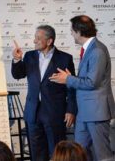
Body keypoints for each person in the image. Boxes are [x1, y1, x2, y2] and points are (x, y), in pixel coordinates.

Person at [49, 15, 115, 161]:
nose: (71, 33)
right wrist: (69, 78)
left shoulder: (97, 50)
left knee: (102, 155)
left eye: (72, 30)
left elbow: (92, 82)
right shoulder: (89, 49)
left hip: (96, 113)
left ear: (79, 31)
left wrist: (68, 79)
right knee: (80, 154)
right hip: (84, 112)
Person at [11, 25, 77, 161]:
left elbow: (71, 88)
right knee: (36, 153)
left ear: (49, 41)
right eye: (35, 37)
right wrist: (17, 59)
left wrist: (71, 110)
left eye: (38, 38)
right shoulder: (29, 56)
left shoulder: (65, 58)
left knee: (57, 153)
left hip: (55, 113)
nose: (34, 41)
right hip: (33, 113)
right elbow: (18, 74)